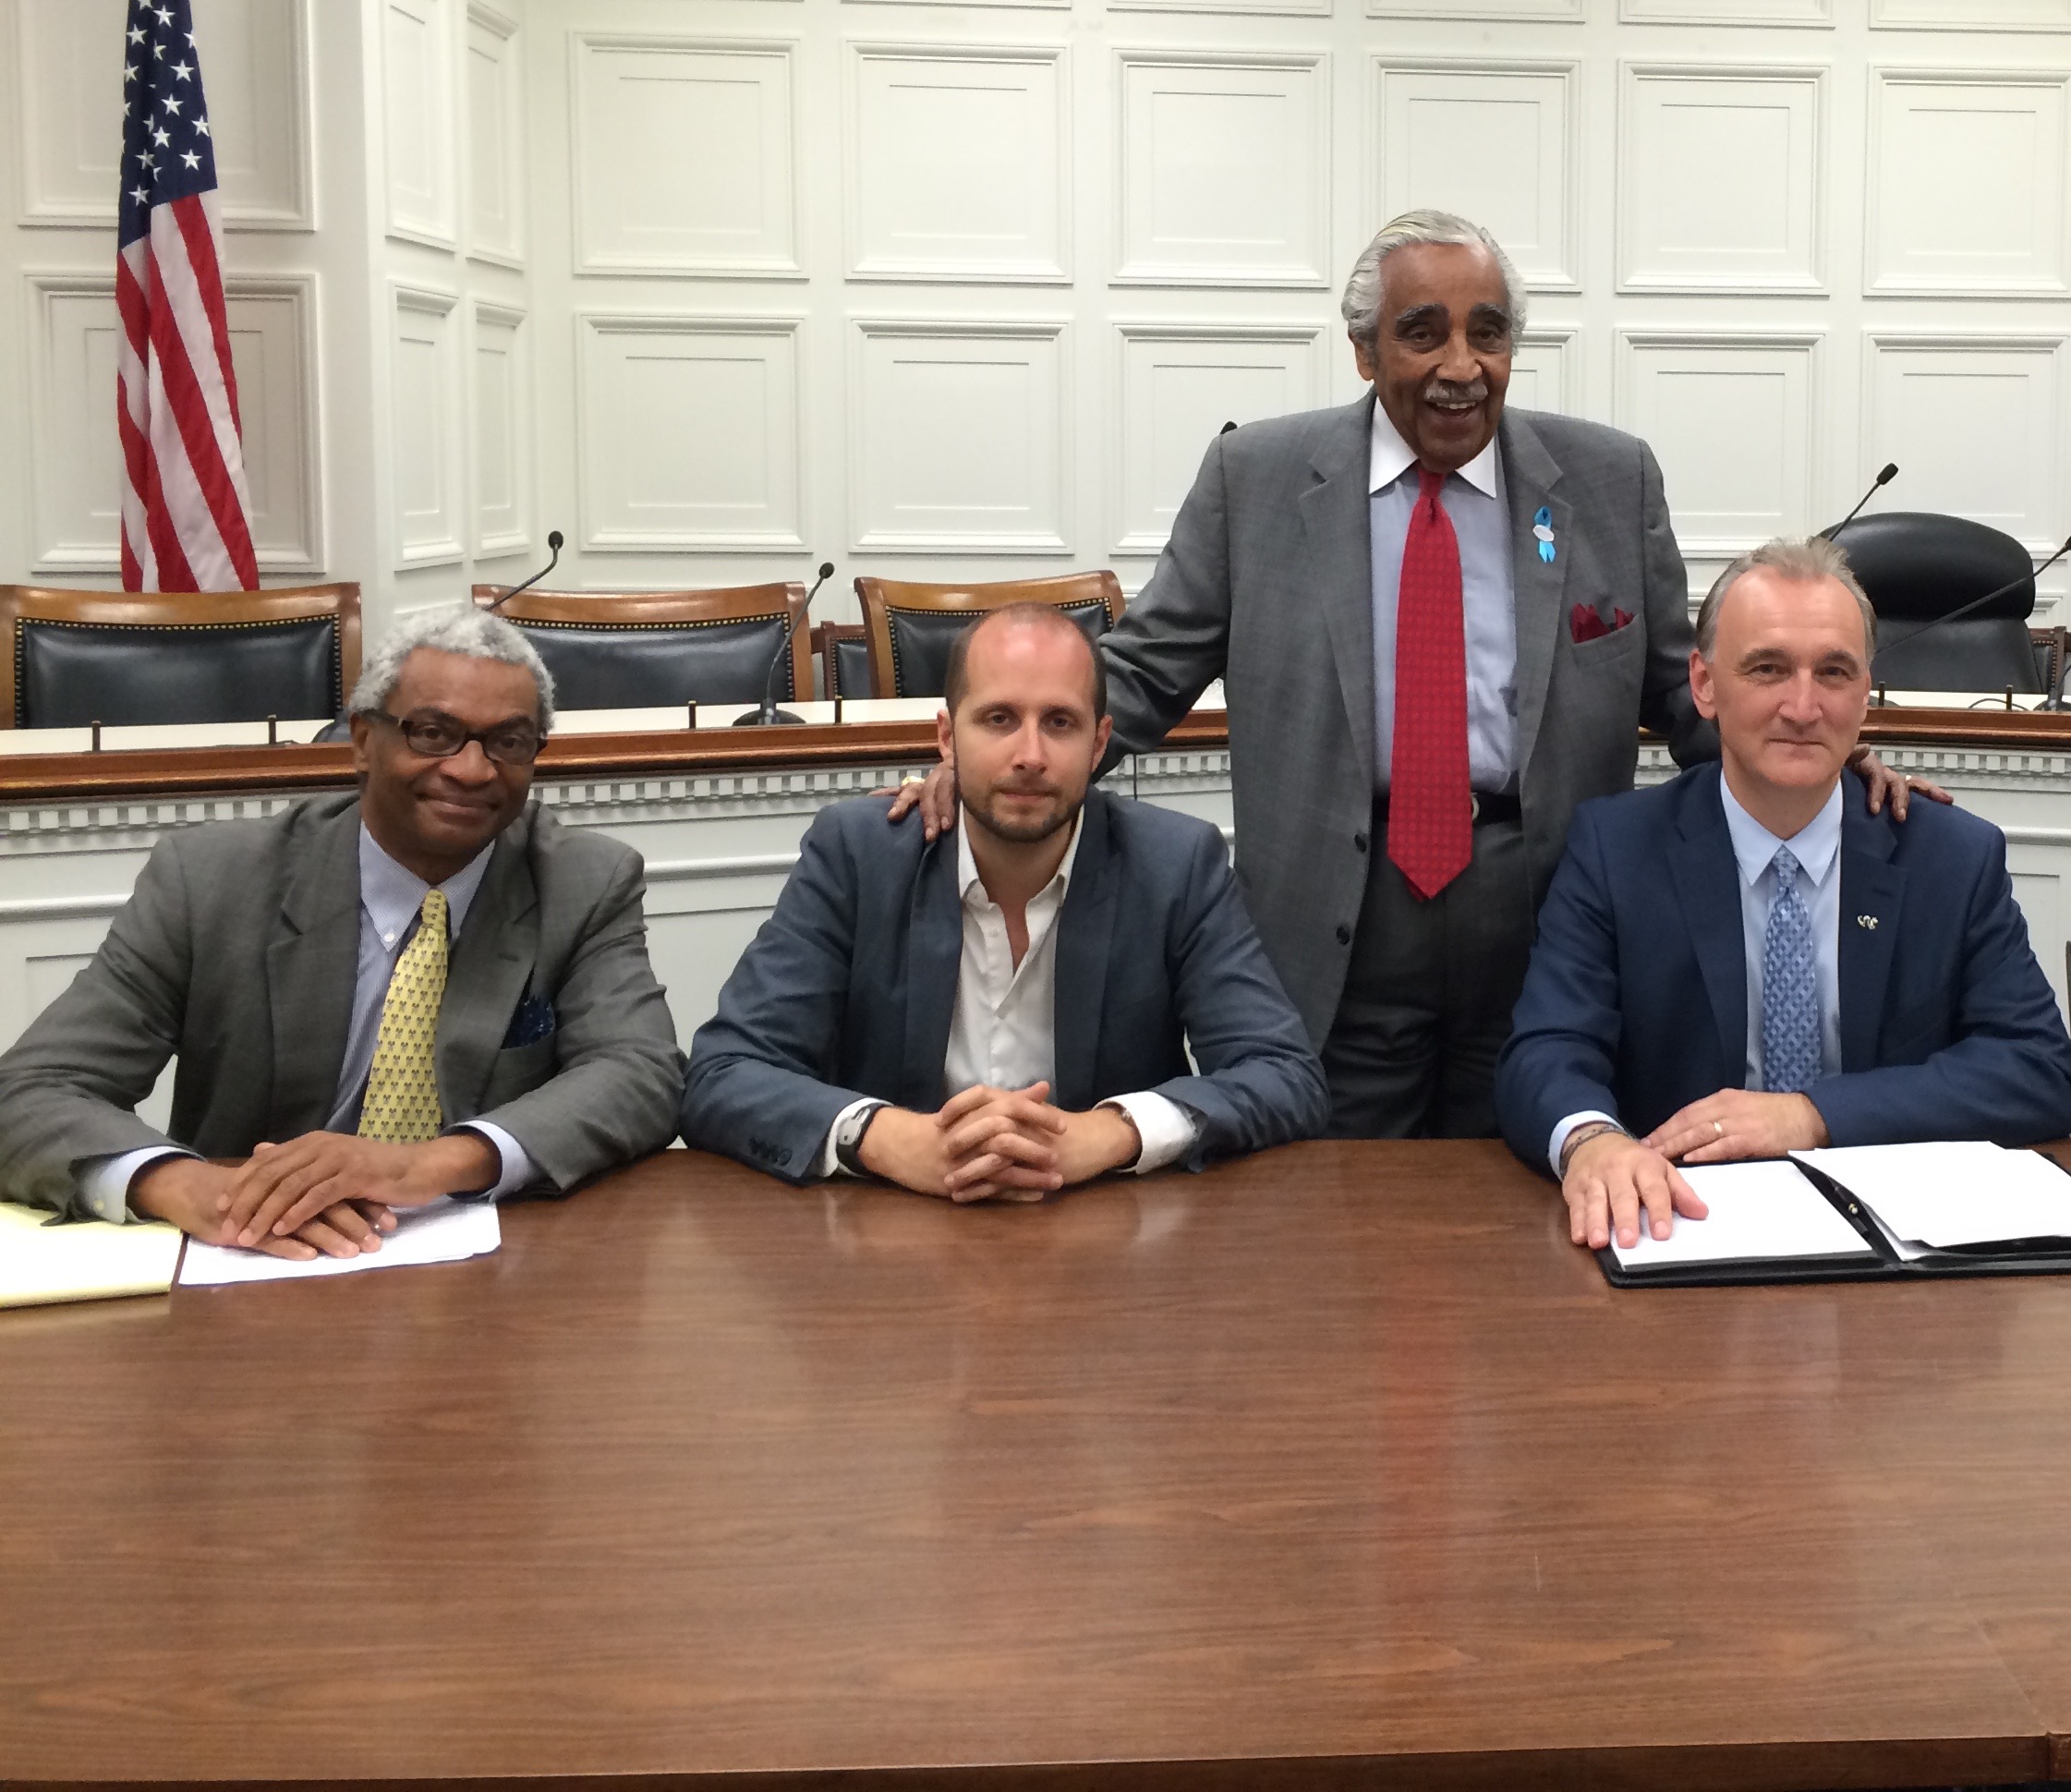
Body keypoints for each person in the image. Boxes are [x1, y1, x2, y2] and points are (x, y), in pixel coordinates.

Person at [890, 210, 1932, 1141]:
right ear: (1363, 349)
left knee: (1530, 1194)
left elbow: (1686, 688)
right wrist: (996, 758)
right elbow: (1147, 671)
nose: (1460, 365)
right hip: (1335, 916)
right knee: (1330, 1212)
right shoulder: (1256, 480)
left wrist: (1826, 768)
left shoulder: (1610, 479)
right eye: (1423, 332)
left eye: (1488, 333)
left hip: (1548, 916)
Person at [0, 606, 681, 1253]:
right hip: (254, 1257)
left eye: (508, 742)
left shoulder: (583, 881)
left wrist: (422, 1166)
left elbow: (640, 1072)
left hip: (485, 1263)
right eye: (432, 733)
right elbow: (31, 1090)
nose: (471, 770)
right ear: (362, 741)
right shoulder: (211, 883)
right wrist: (184, 1186)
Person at [1495, 537, 2071, 1250]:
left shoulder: (1951, 858)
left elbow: (2036, 1070)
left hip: (1898, 1252)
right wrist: (1591, 1141)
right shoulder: (1617, 849)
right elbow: (1547, 1049)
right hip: (1682, 1233)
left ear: (1865, 692)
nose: (1802, 707)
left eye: (1833, 672)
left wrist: (1811, 1114)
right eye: (1768, 669)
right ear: (1705, 685)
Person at [683, 605, 1324, 1197]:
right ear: (946, 737)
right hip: (892, 1240)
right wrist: (888, 1138)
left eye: (1060, 723)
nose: (1030, 756)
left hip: (1109, 1242)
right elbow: (724, 1073)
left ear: (1100, 743)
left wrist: (1109, 1133)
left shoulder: (1176, 864)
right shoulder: (858, 855)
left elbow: (1283, 1073)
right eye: (999, 719)